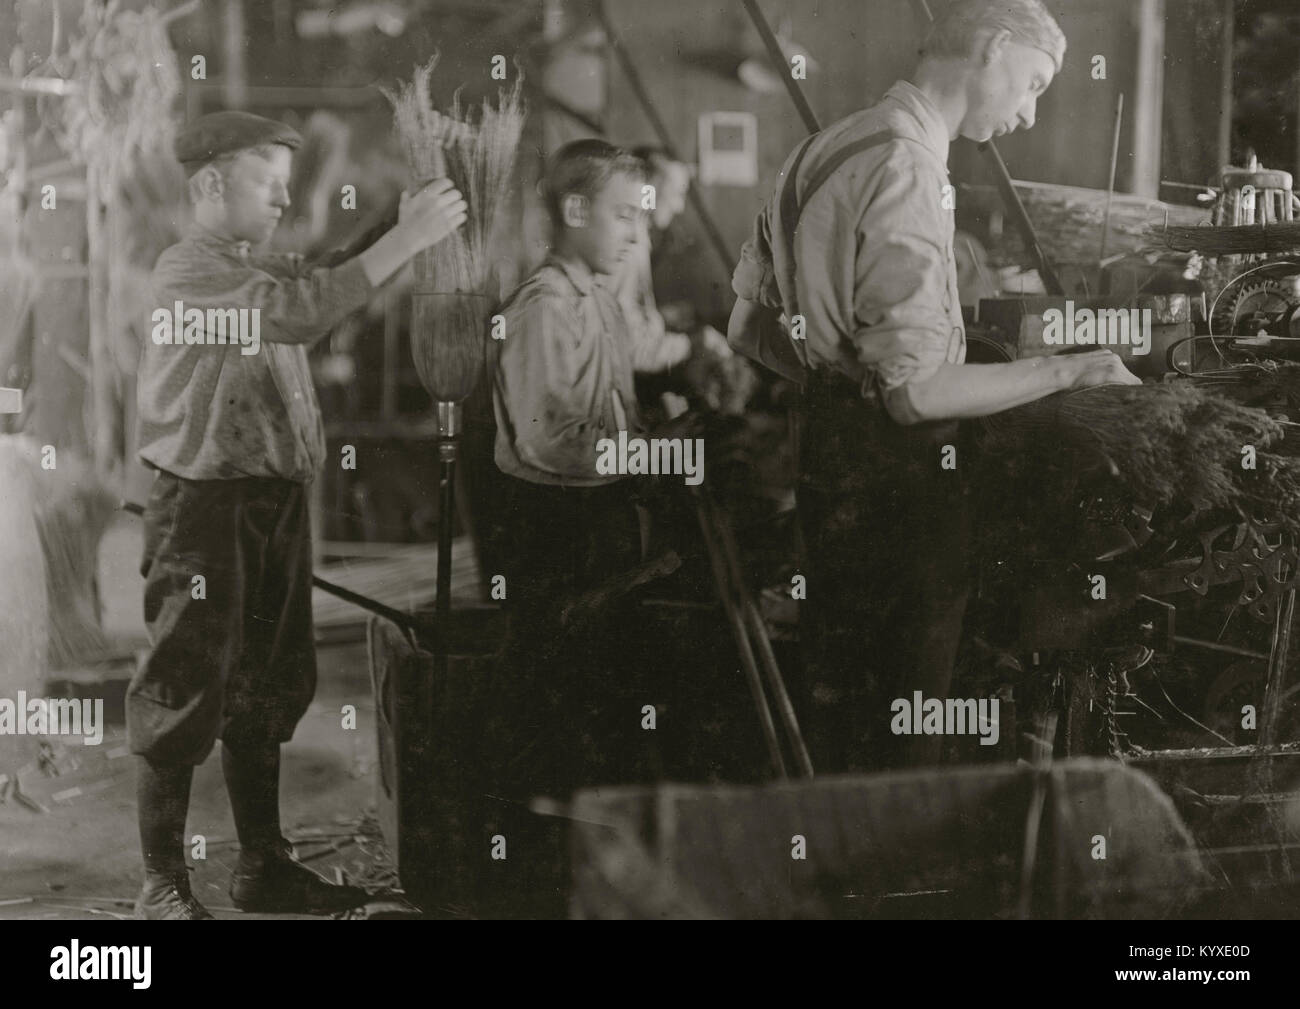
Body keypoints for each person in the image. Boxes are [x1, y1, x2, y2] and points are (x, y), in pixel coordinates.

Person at [729, 0, 1140, 771]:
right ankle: (891, 874)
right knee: (904, 720)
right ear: (989, 47)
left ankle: (842, 868)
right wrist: (1074, 368)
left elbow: (745, 331)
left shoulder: (824, 147)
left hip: (829, 456)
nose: (1029, 110)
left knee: (846, 707)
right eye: (1034, 82)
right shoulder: (909, 169)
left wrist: (841, 380)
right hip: (899, 482)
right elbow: (914, 394)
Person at [128, 110, 466, 919]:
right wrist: (404, 239)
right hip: (201, 502)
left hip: (272, 495)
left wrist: (396, 220)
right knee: (184, 681)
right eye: (266, 181)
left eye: (287, 182)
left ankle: (262, 865)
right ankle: (161, 883)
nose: (283, 197)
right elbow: (301, 311)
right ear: (210, 184)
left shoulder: (254, 265)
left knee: (267, 683)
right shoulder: (189, 272)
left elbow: (310, 284)